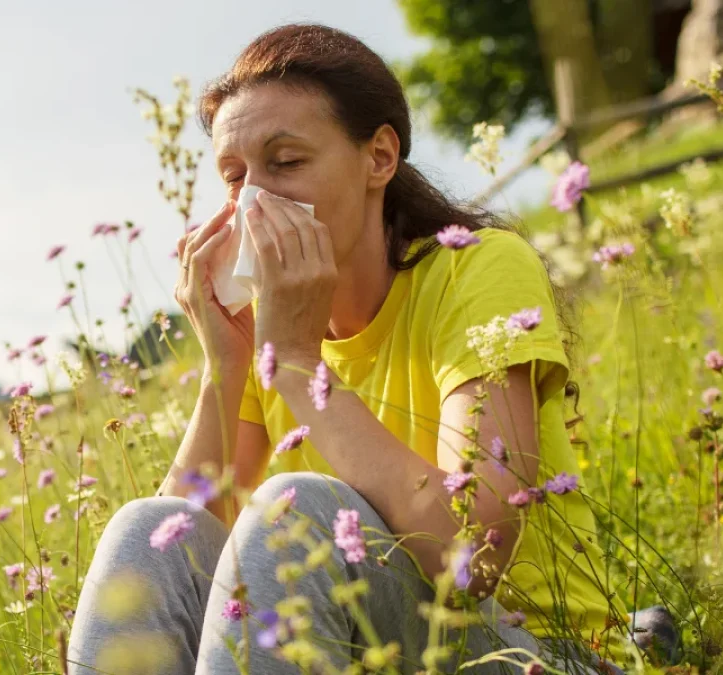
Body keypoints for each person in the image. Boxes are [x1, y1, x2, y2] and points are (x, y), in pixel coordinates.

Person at [68, 23, 633, 675]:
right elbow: (180, 554)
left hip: (534, 651)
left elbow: (471, 556)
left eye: (285, 162)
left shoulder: (478, 271)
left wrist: (299, 365)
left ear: (380, 158)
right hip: (369, 648)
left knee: (294, 511)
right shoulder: (266, 325)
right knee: (146, 527)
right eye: (233, 177)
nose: (254, 199)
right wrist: (227, 363)